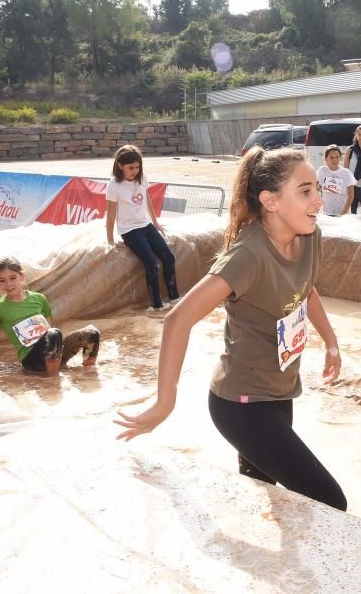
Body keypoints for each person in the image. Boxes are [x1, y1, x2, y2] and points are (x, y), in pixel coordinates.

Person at [114, 147, 347, 511]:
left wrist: (331, 342)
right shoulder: (248, 255)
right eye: (305, 191)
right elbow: (178, 320)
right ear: (269, 201)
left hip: (279, 390)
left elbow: (305, 289)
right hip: (241, 405)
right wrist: (165, 402)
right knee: (331, 501)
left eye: (317, 188)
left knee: (267, 497)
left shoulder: (309, 234)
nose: (319, 199)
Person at [0, 257, 100, 376]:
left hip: (52, 352)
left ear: (22, 276)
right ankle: (54, 379)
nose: (8, 284)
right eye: (2, 280)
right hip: (32, 360)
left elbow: (49, 326)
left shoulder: (39, 298)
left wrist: (56, 350)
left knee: (92, 333)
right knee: (53, 334)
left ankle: (89, 373)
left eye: (13, 278)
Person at [106, 145, 179, 311]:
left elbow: (147, 201)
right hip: (129, 230)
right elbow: (110, 215)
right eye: (130, 168)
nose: (134, 171)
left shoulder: (142, 178)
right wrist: (110, 240)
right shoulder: (114, 186)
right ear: (119, 166)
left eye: (137, 167)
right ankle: (156, 305)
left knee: (169, 258)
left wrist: (156, 223)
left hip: (146, 225)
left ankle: (174, 297)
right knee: (152, 264)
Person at [316, 145, 355, 216]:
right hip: (326, 213)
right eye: (331, 157)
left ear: (340, 158)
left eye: (337, 157)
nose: (335, 160)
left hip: (342, 214)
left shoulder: (346, 173)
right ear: (325, 158)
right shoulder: (322, 171)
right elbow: (316, 188)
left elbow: (351, 194)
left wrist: (344, 212)